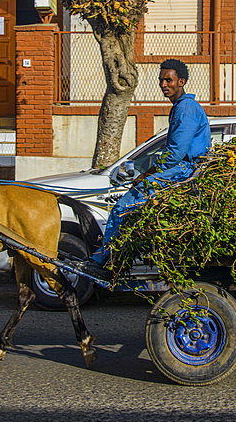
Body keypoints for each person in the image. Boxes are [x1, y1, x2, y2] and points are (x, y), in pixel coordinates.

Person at [86, 58, 210, 274]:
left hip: (183, 170)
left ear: (181, 82)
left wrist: (147, 173)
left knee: (122, 209)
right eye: (161, 80)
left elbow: (175, 154)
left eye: (168, 80)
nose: (164, 85)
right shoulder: (182, 107)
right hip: (180, 168)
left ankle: (103, 261)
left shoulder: (186, 108)